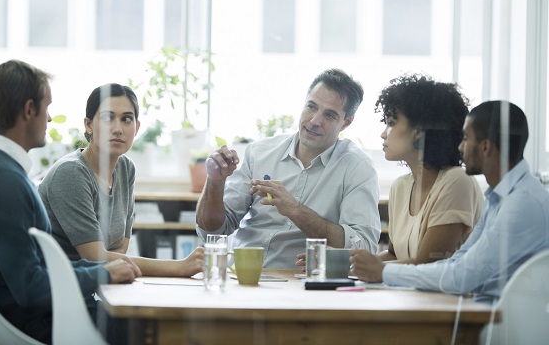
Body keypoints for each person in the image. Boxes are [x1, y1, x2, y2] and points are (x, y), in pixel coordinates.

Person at [0, 60, 141, 344]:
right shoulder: (2, 182)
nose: (50, 119)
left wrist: (102, 270)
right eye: (47, 107)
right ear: (29, 110)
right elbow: (30, 287)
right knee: (144, 326)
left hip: (45, 312)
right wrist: (102, 273)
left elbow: (44, 267)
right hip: (41, 321)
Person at [350, 101, 549, 304]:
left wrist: (384, 272)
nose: (460, 147)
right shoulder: (499, 197)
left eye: (465, 139)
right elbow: (457, 261)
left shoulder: (522, 204)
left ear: (485, 147)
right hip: (484, 316)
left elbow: (461, 276)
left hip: (502, 325)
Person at [196, 68, 381, 268]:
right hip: (244, 277)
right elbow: (213, 231)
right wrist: (215, 182)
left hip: (304, 283)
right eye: (311, 107)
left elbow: (363, 248)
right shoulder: (259, 152)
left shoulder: (358, 168)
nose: (315, 121)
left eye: (329, 115)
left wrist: (296, 210)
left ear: (346, 123)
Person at [38, 83, 203, 277]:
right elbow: (95, 257)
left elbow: (120, 249)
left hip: (100, 284)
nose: (117, 129)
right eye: (108, 118)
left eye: (126, 119)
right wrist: (178, 267)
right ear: (88, 124)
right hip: (63, 288)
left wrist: (109, 259)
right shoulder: (71, 172)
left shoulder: (126, 168)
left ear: (137, 127)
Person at [375, 74, 483, 265]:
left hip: (447, 295)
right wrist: (348, 265)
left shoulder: (457, 181)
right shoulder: (400, 187)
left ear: (419, 130)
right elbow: (394, 255)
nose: (383, 134)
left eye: (391, 123)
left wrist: (373, 268)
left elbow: (427, 265)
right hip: (407, 294)